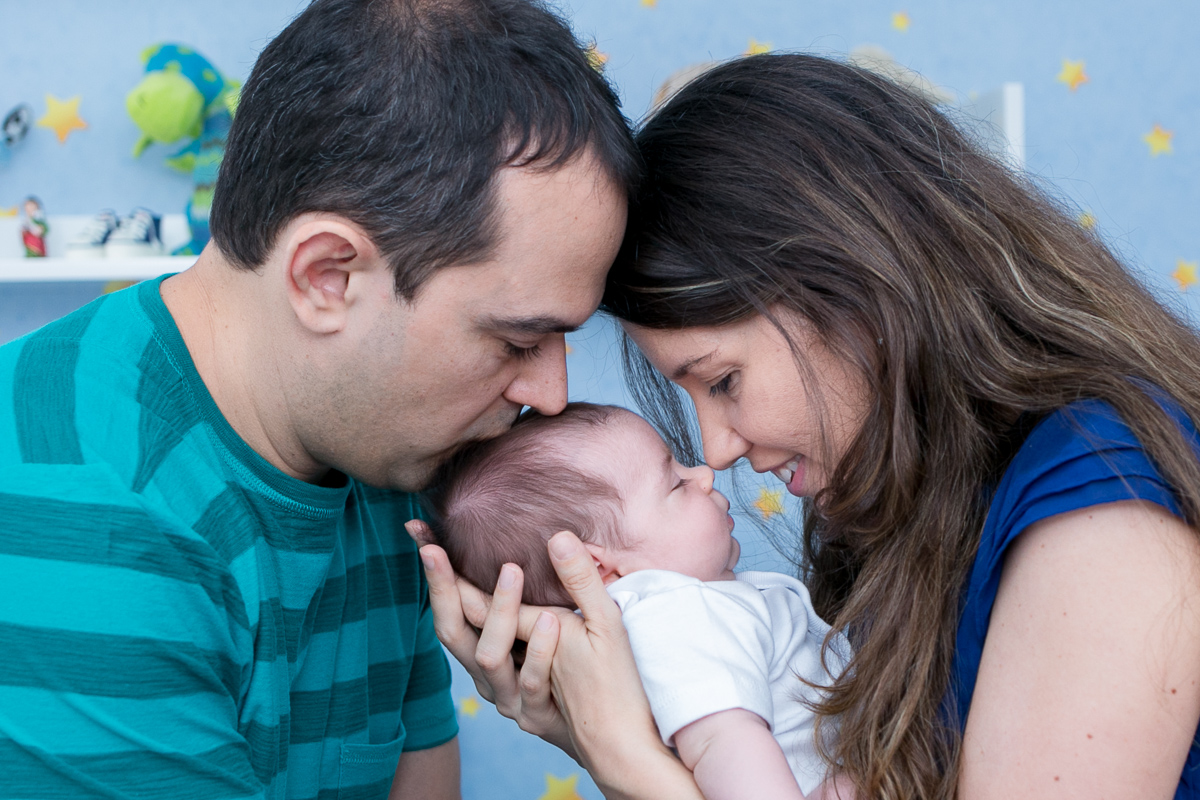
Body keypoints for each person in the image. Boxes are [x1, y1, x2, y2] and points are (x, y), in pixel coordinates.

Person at [419, 54, 1200, 799]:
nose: (718, 449)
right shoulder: (907, 511)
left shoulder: (1103, 497)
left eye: (723, 381)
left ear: (855, 289)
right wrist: (612, 719)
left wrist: (628, 764)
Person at [0, 1, 636, 798]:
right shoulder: (85, 520)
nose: (551, 396)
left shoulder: (374, 445)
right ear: (326, 277)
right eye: (516, 341)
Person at [414, 402, 852, 799]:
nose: (703, 474)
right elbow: (724, 741)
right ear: (597, 568)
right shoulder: (681, 614)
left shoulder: (642, 634)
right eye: (676, 485)